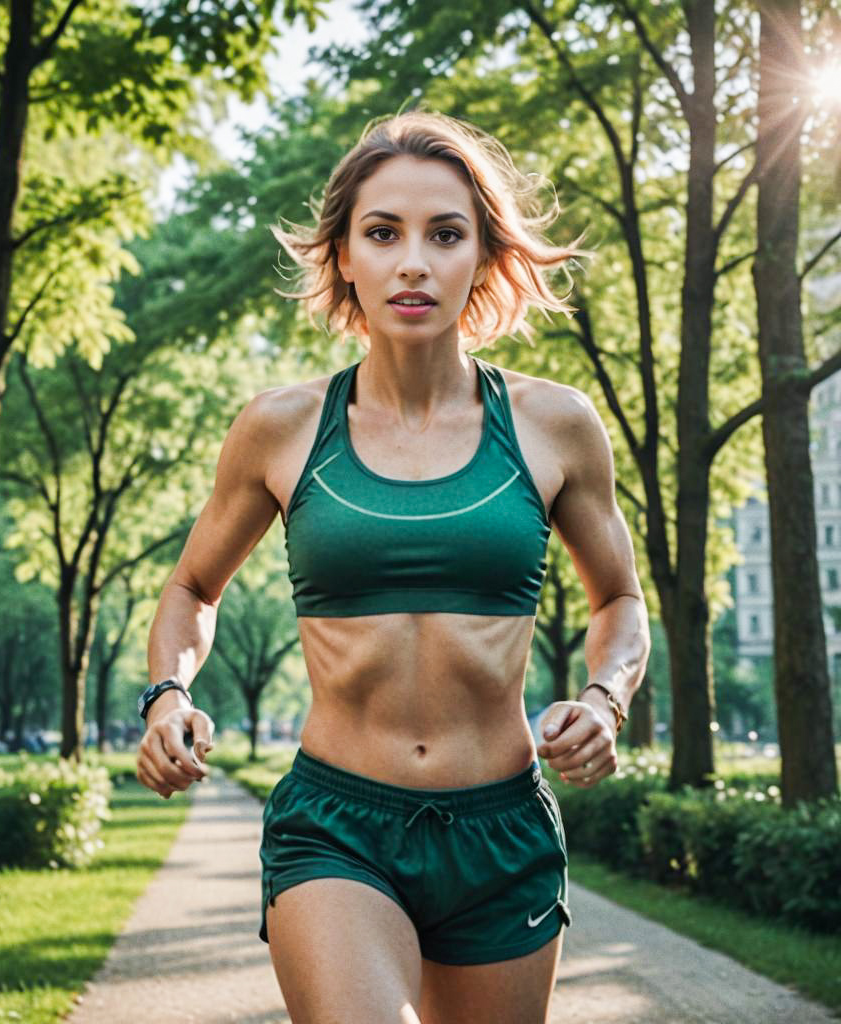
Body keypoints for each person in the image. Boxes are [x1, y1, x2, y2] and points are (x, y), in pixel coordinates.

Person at [135, 110, 650, 1024]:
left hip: (503, 833)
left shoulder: (555, 424)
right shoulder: (282, 428)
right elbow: (190, 589)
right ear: (343, 257)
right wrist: (168, 694)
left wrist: (607, 697)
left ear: (484, 258)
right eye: (383, 233)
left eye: (445, 234)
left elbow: (618, 599)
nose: (413, 262)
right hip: (337, 828)